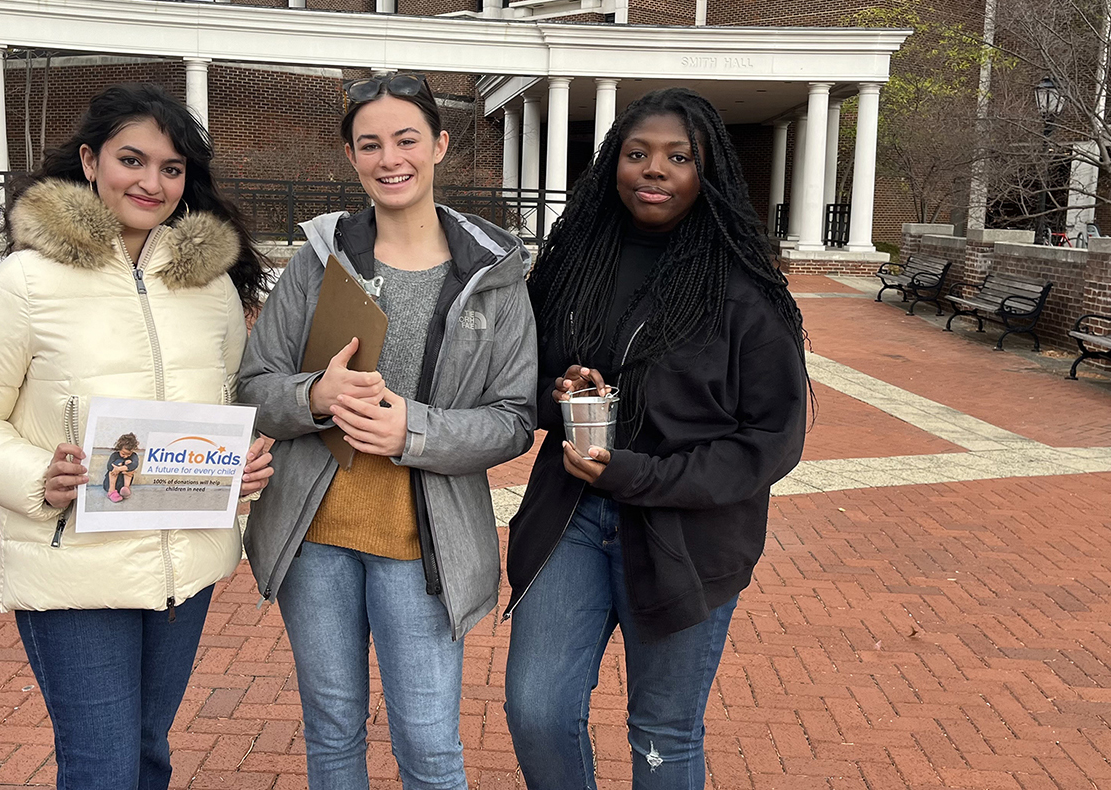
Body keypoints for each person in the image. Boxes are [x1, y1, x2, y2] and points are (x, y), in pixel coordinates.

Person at [0, 83, 274, 790]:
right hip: (75, 568)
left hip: (188, 568)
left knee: (148, 753)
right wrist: (35, 476)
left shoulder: (210, 289)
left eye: (172, 168)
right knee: (101, 768)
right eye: (132, 160)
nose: (152, 182)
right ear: (90, 162)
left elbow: (229, 404)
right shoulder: (27, 280)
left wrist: (240, 466)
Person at [502, 87, 810, 790]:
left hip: (688, 536)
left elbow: (771, 440)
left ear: (709, 172)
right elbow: (520, 375)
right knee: (537, 710)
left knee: (662, 734)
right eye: (637, 153)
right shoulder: (573, 264)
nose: (654, 169)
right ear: (613, 162)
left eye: (678, 156)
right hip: (572, 519)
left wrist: (637, 475)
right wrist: (559, 390)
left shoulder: (743, 290)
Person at [238, 72, 537, 790]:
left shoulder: (493, 277)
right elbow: (251, 390)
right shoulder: (319, 261)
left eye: (406, 139)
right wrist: (316, 396)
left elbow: (515, 419)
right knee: (333, 734)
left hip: (421, 548)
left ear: (438, 144)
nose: (389, 158)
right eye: (369, 144)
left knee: (430, 751)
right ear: (351, 157)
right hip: (314, 542)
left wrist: (416, 431)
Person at [105, 432, 141, 502]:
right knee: (117, 462)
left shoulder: (133, 456)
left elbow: (135, 464)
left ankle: (126, 488)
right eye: (123, 453)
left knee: (129, 463)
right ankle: (111, 492)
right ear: (119, 448)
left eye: (129, 454)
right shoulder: (114, 455)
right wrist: (117, 468)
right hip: (111, 483)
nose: (126, 456)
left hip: (123, 484)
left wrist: (120, 469)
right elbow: (109, 467)